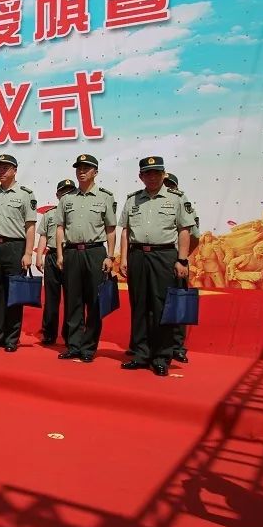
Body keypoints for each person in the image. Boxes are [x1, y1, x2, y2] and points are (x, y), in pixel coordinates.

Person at [119, 157, 195, 376]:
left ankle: (162, 356)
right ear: (141, 176)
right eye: (147, 173)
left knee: (162, 307)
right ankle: (141, 354)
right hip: (138, 256)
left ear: (163, 175)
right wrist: (123, 259)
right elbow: (125, 230)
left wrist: (181, 260)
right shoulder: (133, 200)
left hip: (164, 256)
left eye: (156, 173)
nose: (152, 177)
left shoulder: (176, 198)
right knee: (139, 305)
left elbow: (184, 230)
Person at [55, 154, 117, 363]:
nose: (81, 172)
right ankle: (74, 345)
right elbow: (60, 227)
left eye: (86, 168)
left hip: (95, 252)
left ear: (95, 172)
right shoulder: (67, 198)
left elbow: (110, 229)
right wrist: (61, 253)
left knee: (94, 301)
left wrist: (110, 255)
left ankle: (89, 348)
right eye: (78, 168)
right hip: (72, 252)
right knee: (73, 301)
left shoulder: (105, 197)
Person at [0, 155, 37, 352]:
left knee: (14, 294)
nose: (1, 171)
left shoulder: (25, 194)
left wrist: (28, 253)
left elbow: (30, 226)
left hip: (15, 247)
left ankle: (12, 339)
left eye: (5, 168)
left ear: (14, 170)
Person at [34, 179, 76, 345]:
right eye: (63, 192)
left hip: (71, 255)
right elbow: (43, 236)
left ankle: (70, 334)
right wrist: (39, 256)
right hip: (51, 256)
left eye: (70, 192)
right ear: (57, 195)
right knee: (51, 299)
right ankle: (49, 333)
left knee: (72, 298)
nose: (66, 195)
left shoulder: (76, 212)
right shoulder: (50, 214)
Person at [163, 172, 199, 363]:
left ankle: (177, 347)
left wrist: (182, 258)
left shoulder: (185, 208)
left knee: (177, 303)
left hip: (178, 262)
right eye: (165, 184)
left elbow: (194, 237)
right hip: (157, 259)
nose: (167, 187)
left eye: (171, 185)